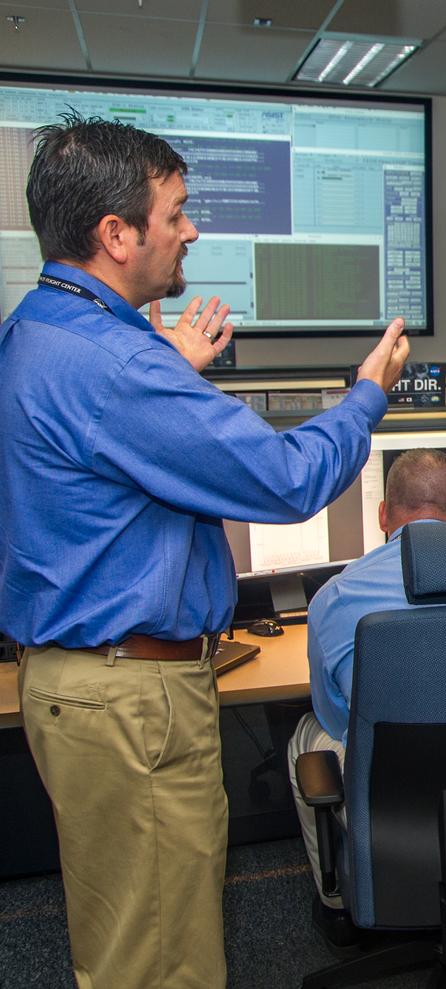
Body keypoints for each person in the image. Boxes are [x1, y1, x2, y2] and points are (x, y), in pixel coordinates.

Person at [0, 112, 409, 989]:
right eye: (177, 212)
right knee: (160, 962)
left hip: (82, 684)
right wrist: (367, 396)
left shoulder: (43, 330)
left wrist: (168, 373)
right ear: (115, 234)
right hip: (130, 697)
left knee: (125, 935)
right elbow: (290, 478)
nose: (192, 230)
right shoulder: (117, 367)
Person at [286, 448, 446, 915]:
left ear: (383, 514)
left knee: (308, 735)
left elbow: (336, 716)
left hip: (396, 800)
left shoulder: (336, 597)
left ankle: (337, 903)